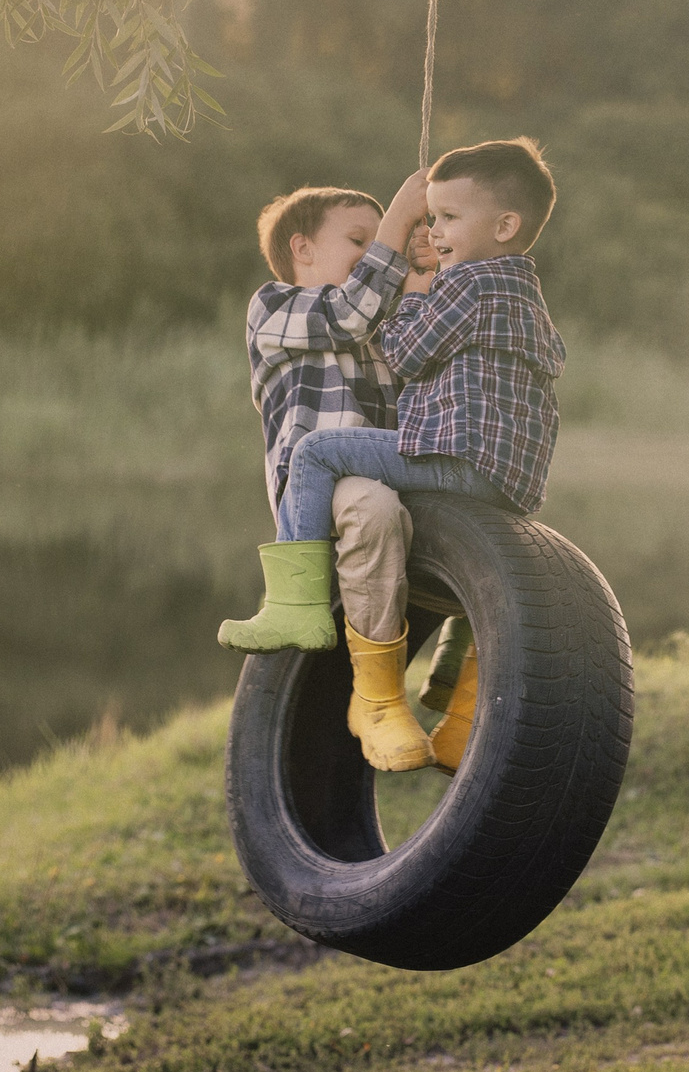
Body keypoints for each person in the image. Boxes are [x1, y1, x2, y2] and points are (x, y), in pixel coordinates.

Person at [274, 138, 566, 775]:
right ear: (301, 250)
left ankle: (291, 600)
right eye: (428, 220)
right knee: (495, 572)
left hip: (454, 458)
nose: (431, 232)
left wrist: (416, 290)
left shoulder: (466, 286)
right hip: (515, 479)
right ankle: (458, 712)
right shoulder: (276, 306)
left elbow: (404, 354)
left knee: (317, 451)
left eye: (446, 220)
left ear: (505, 225)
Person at [220, 174, 436, 670]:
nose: (378, 252)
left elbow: (429, 373)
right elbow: (346, 315)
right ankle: (377, 691)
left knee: (483, 518)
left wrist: (425, 280)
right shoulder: (274, 307)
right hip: (317, 486)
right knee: (370, 507)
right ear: (303, 248)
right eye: (361, 240)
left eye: (382, 242)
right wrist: (400, 218)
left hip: (391, 467)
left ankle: (463, 669)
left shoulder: (383, 326)